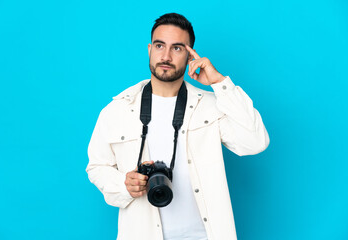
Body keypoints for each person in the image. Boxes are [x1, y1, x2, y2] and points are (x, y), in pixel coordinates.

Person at [86, 13, 270, 240]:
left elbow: (255, 142)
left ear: (190, 55)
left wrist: (220, 83)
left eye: (177, 48)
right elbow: (96, 166)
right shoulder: (117, 110)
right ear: (149, 50)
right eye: (159, 45)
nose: (165, 56)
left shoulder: (211, 105)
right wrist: (124, 185)